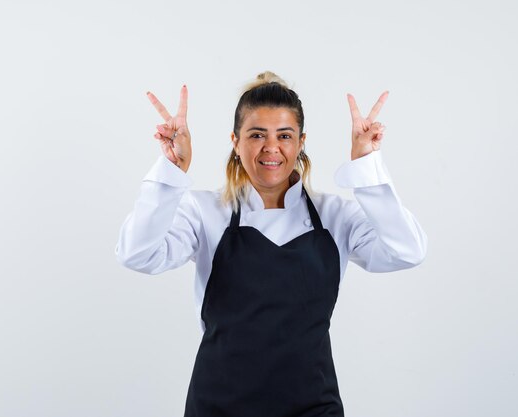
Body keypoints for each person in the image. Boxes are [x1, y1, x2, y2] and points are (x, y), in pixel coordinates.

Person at [115, 71, 427, 417]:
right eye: (257, 135)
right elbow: (137, 254)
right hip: (219, 407)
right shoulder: (204, 212)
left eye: (284, 135)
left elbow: (408, 251)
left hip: (314, 407)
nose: (271, 147)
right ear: (235, 141)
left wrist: (367, 167)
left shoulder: (335, 216)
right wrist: (170, 172)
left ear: (301, 141)